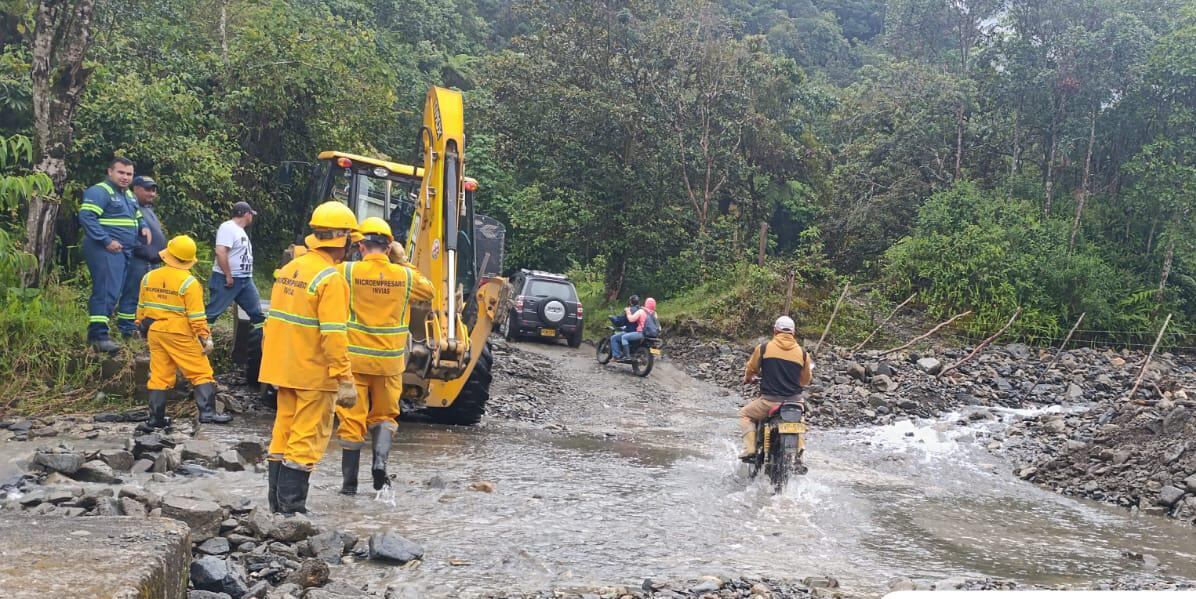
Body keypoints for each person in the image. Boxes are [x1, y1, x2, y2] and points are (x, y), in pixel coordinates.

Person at [259, 201, 359, 515]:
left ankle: (276, 507)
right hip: (313, 374)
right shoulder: (331, 279)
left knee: (283, 432)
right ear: (344, 239)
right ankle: (291, 510)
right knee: (306, 437)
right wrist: (344, 378)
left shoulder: (291, 269)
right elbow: (333, 335)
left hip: (283, 368)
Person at [334, 217, 433, 495]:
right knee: (385, 416)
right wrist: (403, 261)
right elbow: (429, 290)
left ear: (361, 246)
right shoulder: (405, 276)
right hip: (389, 363)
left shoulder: (347, 271)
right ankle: (379, 463)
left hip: (355, 361)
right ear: (389, 248)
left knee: (351, 422)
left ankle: (349, 487)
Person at [134, 235, 229, 433]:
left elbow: (141, 308)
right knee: (200, 371)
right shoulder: (189, 283)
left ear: (168, 254)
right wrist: (205, 338)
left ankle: (156, 419)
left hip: (155, 331)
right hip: (179, 333)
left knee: (160, 375)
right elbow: (196, 317)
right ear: (188, 260)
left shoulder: (148, 277)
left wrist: (140, 326)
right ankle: (208, 413)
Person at [79, 156, 151, 352]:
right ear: (110, 172)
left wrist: (143, 226)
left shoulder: (128, 195)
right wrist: (106, 241)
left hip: (123, 251)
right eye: (121, 172)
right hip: (104, 248)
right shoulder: (100, 191)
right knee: (105, 290)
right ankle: (98, 336)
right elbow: (87, 217)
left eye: (129, 174)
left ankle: (105, 332)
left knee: (114, 291)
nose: (125, 177)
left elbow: (136, 215)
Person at [738, 315, 812, 461]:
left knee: (745, 414)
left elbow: (751, 369)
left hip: (768, 402)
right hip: (794, 403)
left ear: (775, 331)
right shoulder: (803, 354)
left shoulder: (764, 348)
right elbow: (805, 380)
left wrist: (748, 378)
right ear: (793, 333)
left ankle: (750, 449)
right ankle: (799, 451)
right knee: (800, 419)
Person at [116, 176, 165, 339]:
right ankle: (126, 330)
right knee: (132, 294)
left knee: (150, 297)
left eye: (154, 190)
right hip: (137, 261)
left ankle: (142, 329)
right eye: (147, 189)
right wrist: (142, 250)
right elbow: (123, 233)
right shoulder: (128, 207)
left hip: (153, 262)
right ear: (135, 188)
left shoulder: (147, 209)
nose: (152, 194)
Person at [205, 201, 265, 332]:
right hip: (227, 279)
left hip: (245, 279)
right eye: (251, 214)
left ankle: (261, 341)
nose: (252, 217)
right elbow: (221, 252)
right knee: (212, 313)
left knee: (258, 315)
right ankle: (199, 338)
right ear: (247, 214)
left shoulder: (240, 231)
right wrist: (228, 275)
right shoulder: (228, 227)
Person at [613, 297, 658, 361]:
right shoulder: (655, 313)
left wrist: (628, 312)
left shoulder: (641, 311)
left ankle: (627, 356)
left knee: (624, 337)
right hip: (652, 334)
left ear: (646, 303)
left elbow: (631, 319)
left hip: (641, 333)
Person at [609, 295, 640, 361]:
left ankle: (616, 356)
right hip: (640, 332)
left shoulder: (628, 310)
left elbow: (620, 322)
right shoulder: (641, 310)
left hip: (631, 331)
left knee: (613, 338)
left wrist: (612, 318)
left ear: (630, 302)